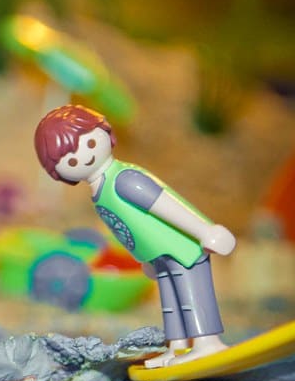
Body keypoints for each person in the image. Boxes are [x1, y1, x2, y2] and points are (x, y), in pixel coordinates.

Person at [34, 104, 236, 367]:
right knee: (171, 303)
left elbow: (165, 204)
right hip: (160, 253)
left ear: (105, 132)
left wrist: (205, 230)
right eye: (70, 161)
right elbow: (127, 229)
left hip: (182, 245)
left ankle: (208, 343)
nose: (83, 157)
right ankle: (177, 348)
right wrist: (145, 259)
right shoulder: (101, 193)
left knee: (191, 295)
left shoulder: (124, 179)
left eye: (89, 143)